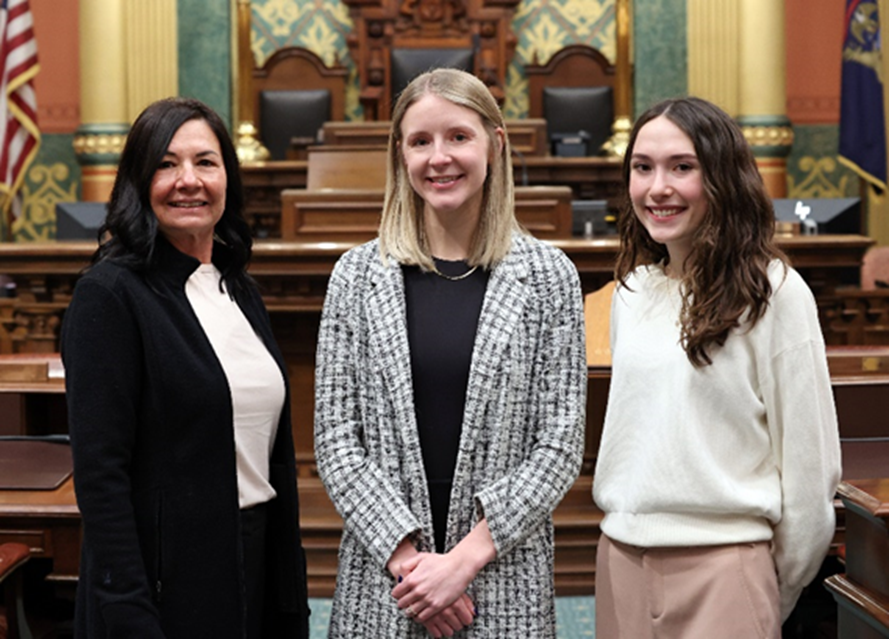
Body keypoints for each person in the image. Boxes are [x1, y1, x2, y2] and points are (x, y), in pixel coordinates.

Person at [314, 68, 586, 638]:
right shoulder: (355, 277)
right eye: (420, 141)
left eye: (459, 136)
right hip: (386, 580)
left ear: (495, 142)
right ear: (400, 154)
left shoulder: (548, 277)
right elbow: (336, 441)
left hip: (501, 576)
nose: (440, 157)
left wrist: (460, 565)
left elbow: (559, 444)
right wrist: (415, 569)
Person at [593, 96, 842, 638]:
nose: (658, 188)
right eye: (643, 168)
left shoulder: (774, 293)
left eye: (682, 167)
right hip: (621, 561)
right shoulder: (633, 292)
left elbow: (809, 466)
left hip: (725, 567)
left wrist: (772, 582)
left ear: (723, 178)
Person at [61, 97, 310, 638]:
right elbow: (102, 478)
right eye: (166, 164)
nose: (188, 181)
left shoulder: (238, 288)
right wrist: (128, 612)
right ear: (138, 181)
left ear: (229, 178)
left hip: (256, 560)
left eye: (205, 162)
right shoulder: (109, 295)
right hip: (162, 587)